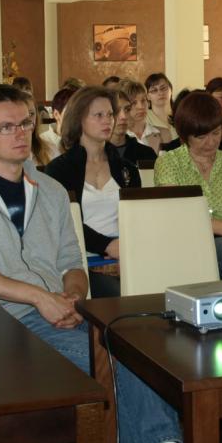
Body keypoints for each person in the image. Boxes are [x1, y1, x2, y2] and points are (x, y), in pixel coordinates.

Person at [0, 85, 216, 443]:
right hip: (3, 319)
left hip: (63, 312)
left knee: (142, 352)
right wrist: (38, 298)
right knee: (116, 364)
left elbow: (71, 261)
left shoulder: (49, 190)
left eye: (25, 123)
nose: (20, 133)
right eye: (6, 127)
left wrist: (74, 296)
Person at [46, 87, 142, 298]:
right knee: (116, 295)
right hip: (80, 259)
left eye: (110, 114)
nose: (108, 121)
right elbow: (65, 223)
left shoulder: (126, 169)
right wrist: (107, 245)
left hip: (124, 253)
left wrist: (125, 252)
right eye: (98, 115)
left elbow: (138, 218)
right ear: (79, 119)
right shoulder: (58, 170)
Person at [154, 91, 222, 279]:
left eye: (216, 133)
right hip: (184, 245)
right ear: (185, 135)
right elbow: (179, 220)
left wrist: (206, 224)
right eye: (201, 136)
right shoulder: (169, 163)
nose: (211, 142)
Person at [109, 87, 158, 163]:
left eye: (127, 109)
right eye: (116, 110)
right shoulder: (93, 154)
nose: (123, 116)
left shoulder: (147, 153)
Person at [118, 79, 161, 153]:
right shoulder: (117, 138)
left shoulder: (162, 133)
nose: (140, 107)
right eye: (134, 103)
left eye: (143, 100)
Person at [41, 86, 77, 160]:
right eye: (71, 112)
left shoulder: (84, 140)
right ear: (56, 114)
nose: (77, 116)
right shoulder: (42, 143)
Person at [145, 72, 177, 144]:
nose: (160, 93)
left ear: (171, 90)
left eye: (163, 88)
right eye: (154, 90)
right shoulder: (144, 118)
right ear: (147, 96)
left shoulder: (180, 114)